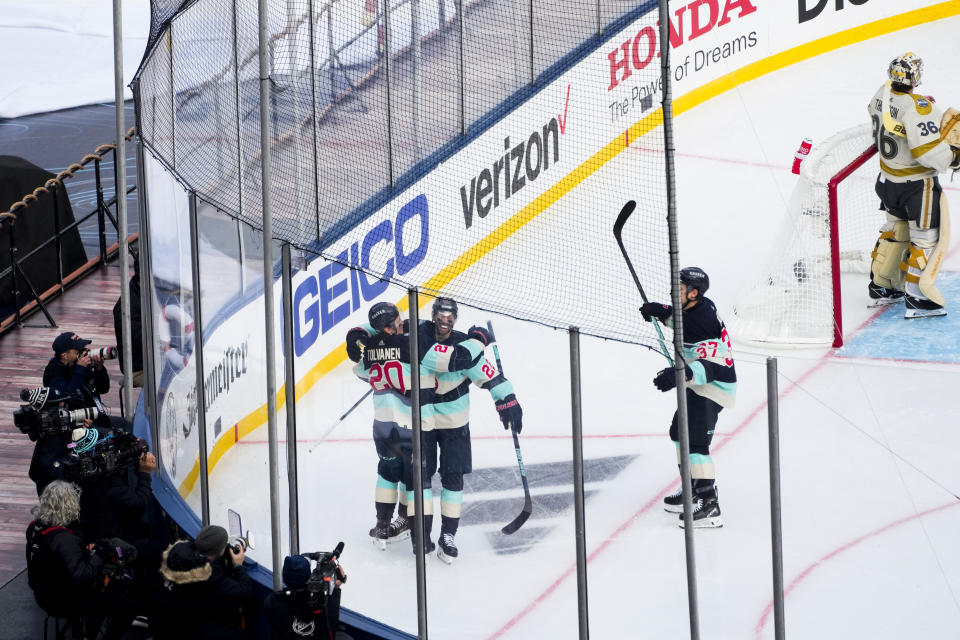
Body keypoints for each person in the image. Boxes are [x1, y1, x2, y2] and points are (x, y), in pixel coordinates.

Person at [348, 301, 489, 555]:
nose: (404, 322)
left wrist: (359, 337)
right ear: (393, 326)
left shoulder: (369, 352)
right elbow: (457, 358)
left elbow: (360, 371)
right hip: (413, 424)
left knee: (388, 473)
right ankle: (420, 540)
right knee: (417, 483)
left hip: (382, 424)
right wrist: (479, 339)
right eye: (399, 320)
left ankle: (383, 525)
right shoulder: (414, 346)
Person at [421, 298, 521, 564]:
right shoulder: (421, 340)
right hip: (424, 422)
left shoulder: (464, 344)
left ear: (455, 319)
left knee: (453, 479)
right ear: (433, 316)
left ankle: (448, 535)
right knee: (419, 477)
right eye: (440, 317)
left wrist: (507, 400)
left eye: (449, 318)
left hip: (455, 424)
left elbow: (490, 376)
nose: (444, 322)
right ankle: (419, 530)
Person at [640, 267, 736, 528]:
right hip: (698, 382)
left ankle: (710, 504)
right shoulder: (698, 306)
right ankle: (692, 487)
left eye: (679, 289)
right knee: (678, 433)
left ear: (693, 293)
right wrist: (660, 311)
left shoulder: (701, 321)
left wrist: (679, 375)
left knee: (694, 443)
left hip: (713, 386)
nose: (674, 292)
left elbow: (716, 366)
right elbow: (680, 318)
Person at [866, 52, 960, 318]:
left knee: (896, 232)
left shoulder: (881, 93)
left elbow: (896, 118)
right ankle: (919, 298)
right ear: (915, 77)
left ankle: (881, 286)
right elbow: (927, 151)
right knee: (925, 240)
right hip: (916, 187)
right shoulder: (920, 108)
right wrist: (954, 157)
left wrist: (918, 107)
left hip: (888, 181)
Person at [25, 481, 136, 640]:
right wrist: (99, 553)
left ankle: (89, 634)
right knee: (128, 604)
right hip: (63, 601)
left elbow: (57, 559)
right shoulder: (63, 539)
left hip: (42, 594)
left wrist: (83, 551)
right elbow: (83, 575)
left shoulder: (34, 528)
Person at [152, 524, 254, 639]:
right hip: (180, 631)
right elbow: (244, 593)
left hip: (162, 620)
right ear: (219, 549)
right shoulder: (207, 576)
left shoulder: (177, 556)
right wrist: (238, 565)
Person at [43, 330, 130, 432]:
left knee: (128, 426)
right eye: (77, 351)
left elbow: (103, 388)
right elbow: (70, 397)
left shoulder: (79, 365)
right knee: (122, 437)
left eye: (82, 348)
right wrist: (80, 369)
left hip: (96, 417)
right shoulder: (54, 374)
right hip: (77, 426)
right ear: (65, 356)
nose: (82, 352)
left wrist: (99, 369)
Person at [263, 554, 352, 639]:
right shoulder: (325, 607)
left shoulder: (272, 602)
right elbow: (331, 626)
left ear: (285, 577)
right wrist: (336, 587)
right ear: (309, 578)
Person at [113, 250, 144, 387]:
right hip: (139, 369)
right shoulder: (125, 307)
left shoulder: (153, 295)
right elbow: (141, 340)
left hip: (158, 360)